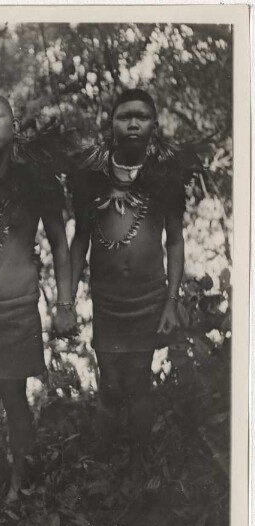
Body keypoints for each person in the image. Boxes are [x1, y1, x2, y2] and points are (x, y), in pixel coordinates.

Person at [0, 94, 76, 505]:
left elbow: (59, 244)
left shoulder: (35, 175)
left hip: (17, 307)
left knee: (14, 397)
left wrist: (65, 305)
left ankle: (17, 483)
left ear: (12, 123)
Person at [71, 89, 192, 474]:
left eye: (142, 116)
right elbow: (79, 242)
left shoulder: (164, 176)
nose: (134, 123)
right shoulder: (92, 177)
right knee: (109, 382)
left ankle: (139, 461)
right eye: (125, 116)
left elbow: (174, 241)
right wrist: (65, 302)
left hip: (148, 298)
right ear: (111, 124)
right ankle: (103, 460)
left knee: (139, 381)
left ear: (154, 125)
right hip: (107, 302)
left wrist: (171, 302)